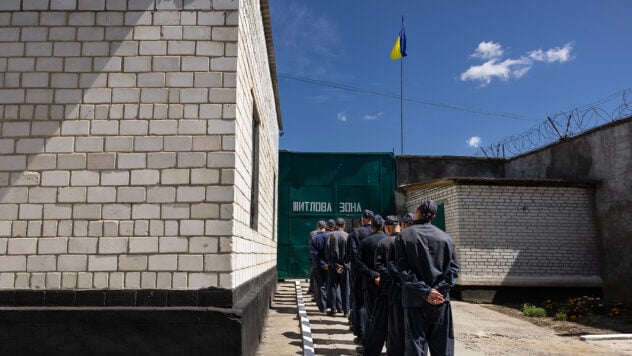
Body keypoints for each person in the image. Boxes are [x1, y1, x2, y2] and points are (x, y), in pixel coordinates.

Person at [393, 200, 459, 356]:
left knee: (416, 345)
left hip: (414, 300)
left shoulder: (404, 236)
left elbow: (402, 270)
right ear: (434, 216)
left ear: (417, 211)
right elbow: (453, 270)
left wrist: (425, 292)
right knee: (442, 346)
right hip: (440, 301)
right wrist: (437, 291)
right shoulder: (446, 238)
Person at [362, 215, 400, 356]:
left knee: (379, 324)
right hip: (402, 290)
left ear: (387, 228)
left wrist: (385, 276)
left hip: (385, 289)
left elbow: (379, 265)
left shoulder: (384, 243)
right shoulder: (406, 241)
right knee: (398, 324)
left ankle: (371, 352)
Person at [356, 215, 386, 350]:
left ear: (372, 226)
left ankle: (369, 345)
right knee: (388, 315)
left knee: (371, 315)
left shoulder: (365, 242)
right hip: (387, 284)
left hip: (369, 283)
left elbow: (359, 263)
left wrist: (373, 274)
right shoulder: (391, 241)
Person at [346, 209, 374, 344]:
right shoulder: (376, 233)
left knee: (359, 303)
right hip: (375, 274)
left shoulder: (356, 233)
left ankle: (361, 334)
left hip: (359, 273)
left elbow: (353, 255)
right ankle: (372, 333)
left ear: (362, 219)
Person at [326, 218, 350, 316]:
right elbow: (350, 253)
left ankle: (333, 309)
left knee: (332, 286)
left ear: (336, 225)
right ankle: (346, 311)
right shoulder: (348, 236)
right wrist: (344, 265)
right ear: (344, 225)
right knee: (345, 288)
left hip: (333, 266)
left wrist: (335, 265)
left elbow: (327, 252)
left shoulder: (331, 235)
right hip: (345, 266)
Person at [310, 220, 329, 312]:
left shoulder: (314, 238)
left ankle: (323, 307)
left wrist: (322, 264)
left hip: (318, 266)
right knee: (330, 285)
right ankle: (331, 305)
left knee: (321, 286)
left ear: (318, 227)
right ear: (325, 227)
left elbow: (314, 254)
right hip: (330, 266)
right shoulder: (331, 236)